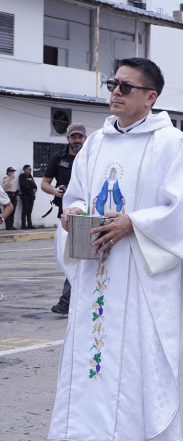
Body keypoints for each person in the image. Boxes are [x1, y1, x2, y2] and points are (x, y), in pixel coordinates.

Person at [51, 57, 183, 441]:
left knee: (139, 364)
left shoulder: (171, 143)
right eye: (113, 84)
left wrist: (135, 223)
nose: (116, 92)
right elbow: (76, 196)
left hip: (144, 273)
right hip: (97, 270)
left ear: (151, 97)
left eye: (127, 87)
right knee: (96, 362)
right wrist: (72, 213)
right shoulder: (94, 144)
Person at [42, 122, 87, 315]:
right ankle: (71, 300)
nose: (77, 140)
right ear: (68, 138)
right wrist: (55, 191)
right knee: (68, 257)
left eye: (80, 137)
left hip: (86, 214)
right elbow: (45, 183)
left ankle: (66, 301)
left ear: (85, 138)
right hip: (65, 218)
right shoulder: (58, 158)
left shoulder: (91, 157)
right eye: (73, 137)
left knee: (78, 256)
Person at [18, 164, 37, 229]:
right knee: (25, 210)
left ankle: (30, 224)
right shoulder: (22, 176)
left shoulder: (30, 176)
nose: (30, 170)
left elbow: (34, 184)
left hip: (31, 195)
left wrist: (35, 189)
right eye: (29, 169)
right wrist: (31, 189)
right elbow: (23, 185)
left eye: (30, 169)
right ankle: (23, 225)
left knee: (29, 211)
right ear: (25, 170)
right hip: (25, 195)